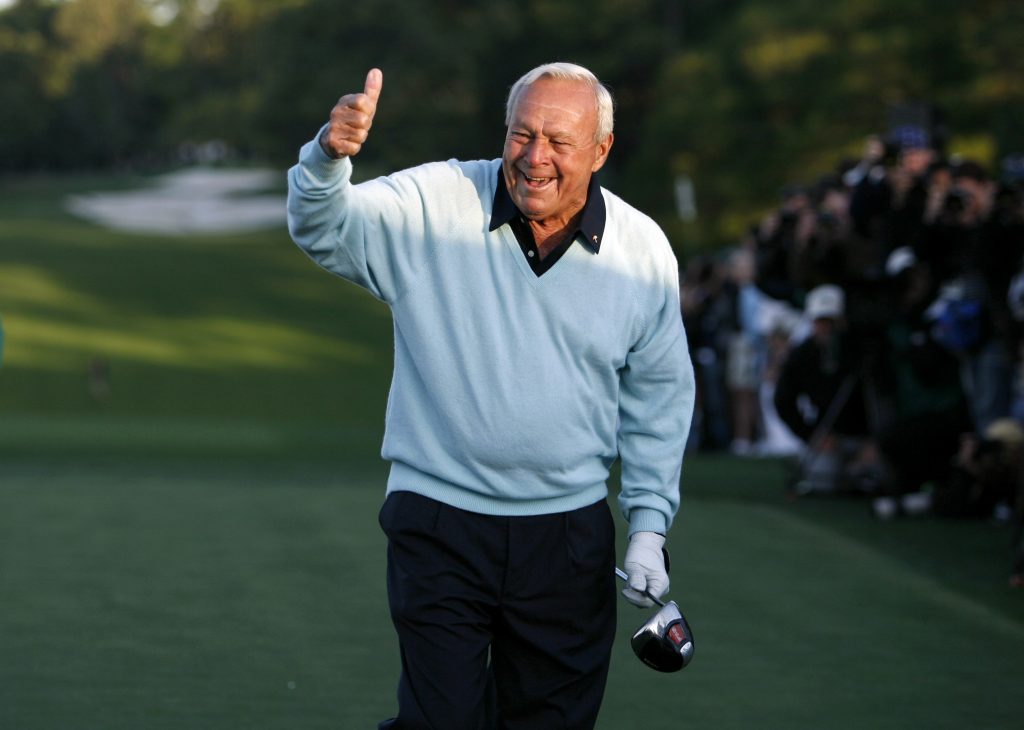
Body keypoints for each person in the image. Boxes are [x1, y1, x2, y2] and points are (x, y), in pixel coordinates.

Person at [286, 63, 695, 729]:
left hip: (567, 537)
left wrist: (649, 526)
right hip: (440, 519)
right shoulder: (438, 201)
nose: (535, 158)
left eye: (559, 142)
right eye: (521, 134)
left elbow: (660, 397)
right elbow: (324, 228)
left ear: (601, 150)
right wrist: (327, 159)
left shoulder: (642, 250)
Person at [773, 284, 881, 494]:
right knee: (824, 483)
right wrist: (811, 435)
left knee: (875, 478)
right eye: (820, 321)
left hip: (864, 436)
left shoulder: (861, 353)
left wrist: (876, 440)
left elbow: (881, 400)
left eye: (831, 321)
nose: (826, 328)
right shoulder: (802, 355)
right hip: (828, 435)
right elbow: (783, 400)